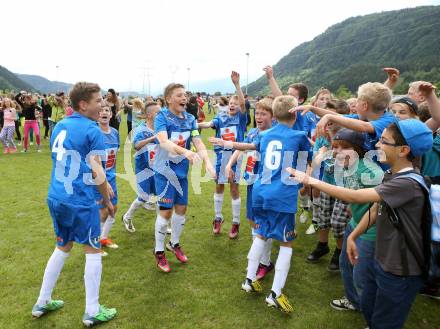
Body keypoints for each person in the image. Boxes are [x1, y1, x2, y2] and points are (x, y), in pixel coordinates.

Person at [288, 119, 433, 329]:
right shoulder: (393, 175)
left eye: (384, 142)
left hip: (401, 269)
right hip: (384, 259)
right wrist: (354, 235)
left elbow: (356, 197)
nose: (376, 146)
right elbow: (375, 209)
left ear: (403, 150)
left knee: (386, 320)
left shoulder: (407, 183)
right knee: (368, 302)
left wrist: (310, 180)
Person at [32, 82, 117, 326]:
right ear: (83, 104)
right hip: (79, 199)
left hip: (57, 196)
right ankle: (92, 310)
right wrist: (108, 200)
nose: (103, 104)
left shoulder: (60, 125)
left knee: (63, 246)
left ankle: (42, 301)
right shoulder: (92, 131)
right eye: (98, 100)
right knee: (92, 250)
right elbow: (97, 170)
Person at [240, 95, 312, 313]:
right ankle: (276, 293)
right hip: (282, 195)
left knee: (261, 234)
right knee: (286, 243)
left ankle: (249, 279)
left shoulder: (265, 134)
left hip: (261, 192)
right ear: (295, 112)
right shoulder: (299, 135)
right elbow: (308, 160)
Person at [153, 82, 215, 272]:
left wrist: (208, 163)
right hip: (164, 171)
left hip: (181, 173)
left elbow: (198, 142)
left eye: (185, 95)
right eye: (179, 95)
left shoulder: (190, 118)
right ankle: (159, 252)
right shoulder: (161, 116)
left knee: (181, 209)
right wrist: (186, 152)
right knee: (166, 212)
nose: (184, 98)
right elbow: (163, 141)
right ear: (168, 99)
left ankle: (175, 243)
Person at [213, 97, 275, 279]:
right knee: (253, 220)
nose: (259, 117)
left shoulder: (277, 133)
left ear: (273, 116)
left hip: (269, 185)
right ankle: (260, 257)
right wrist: (230, 164)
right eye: (257, 113)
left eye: (264, 113)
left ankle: (265, 262)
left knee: (265, 223)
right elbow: (241, 149)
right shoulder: (253, 132)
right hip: (252, 182)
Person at [198, 72, 247, 239]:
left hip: (235, 157)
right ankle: (218, 218)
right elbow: (208, 123)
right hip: (220, 158)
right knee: (219, 186)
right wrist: (195, 125)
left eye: (235, 103)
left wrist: (237, 85)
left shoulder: (240, 118)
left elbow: (242, 102)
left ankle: (235, 222)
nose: (232, 105)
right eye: (230, 103)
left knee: (234, 188)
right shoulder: (221, 117)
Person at [122, 101, 161, 232]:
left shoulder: (161, 128)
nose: (161, 115)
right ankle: (127, 217)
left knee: (158, 196)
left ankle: (162, 224)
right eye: (158, 112)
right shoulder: (141, 130)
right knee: (143, 197)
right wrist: (152, 138)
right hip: (144, 168)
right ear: (149, 115)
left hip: (157, 168)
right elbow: (136, 145)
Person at [93, 102, 120, 256]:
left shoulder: (115, 132)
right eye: (100, 110)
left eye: (107, 110)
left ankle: (103, 238)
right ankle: (94, 244)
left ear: (111, 114)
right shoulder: (94, 132)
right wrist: (103, 180)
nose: (103, 112)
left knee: (113, 208)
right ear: (97, 115)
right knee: (102, 211)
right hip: (98, 178)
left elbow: (114, 155)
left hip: (111, 176)